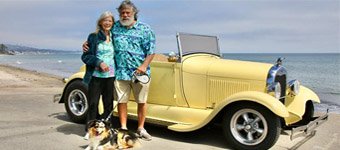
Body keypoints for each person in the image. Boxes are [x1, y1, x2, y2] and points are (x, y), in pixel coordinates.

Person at [83, 0, 155, 141]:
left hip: (140, 73)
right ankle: (123, 128)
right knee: (122, 102)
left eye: (128, 12)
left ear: (134, 13)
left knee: (142, 101)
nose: (125, 15)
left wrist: (144, 66)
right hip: (120, 72)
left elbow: (151, 51)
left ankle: (141, 128)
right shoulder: (115, 27)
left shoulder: (145, 29)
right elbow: (100, 35)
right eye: (122, 13)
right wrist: (87, 44)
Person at [81, 11, 115, 139]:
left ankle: (107, 129)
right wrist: (99, 62)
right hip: (95, 75)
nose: (107, 23)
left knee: (108, 103)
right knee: (93, 103)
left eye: (110, 21)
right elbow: (86, 56)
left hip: (111, 75)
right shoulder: (93, 37)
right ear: (100, 22)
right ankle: (90, 129)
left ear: (113, 23)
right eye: (105, 20)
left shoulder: (114, 36)